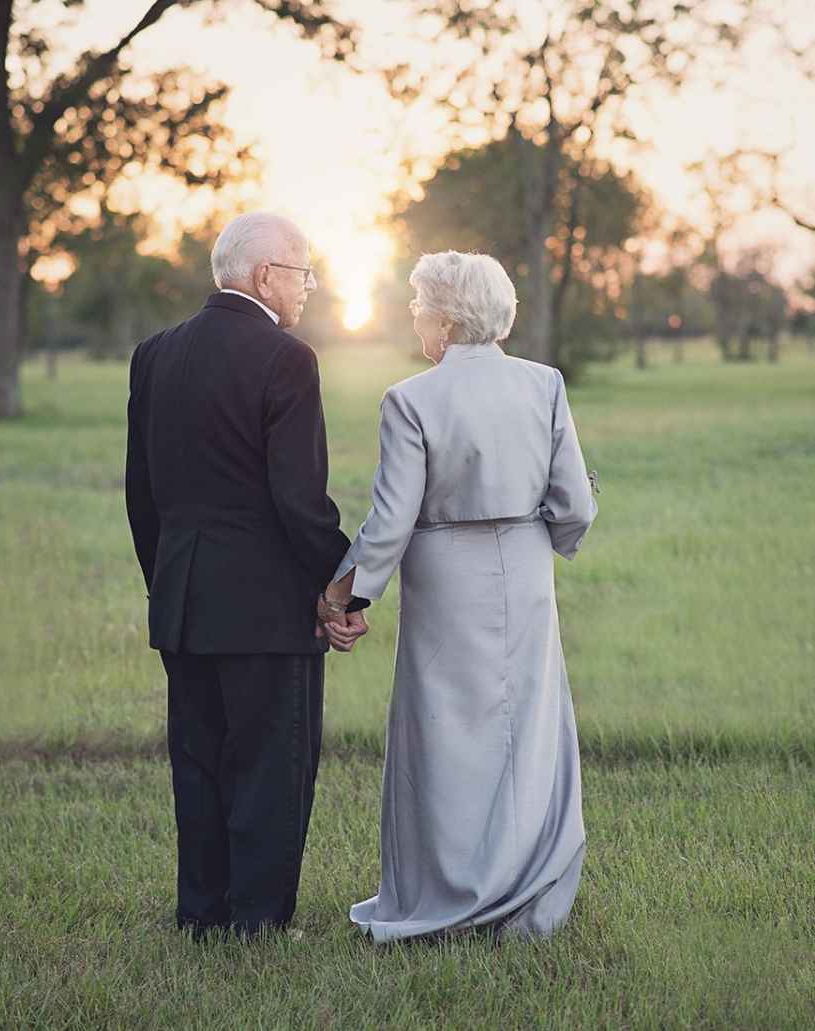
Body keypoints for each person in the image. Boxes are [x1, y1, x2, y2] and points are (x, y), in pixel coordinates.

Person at [316, 250, 598, 942]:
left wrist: (343, 597)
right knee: (525, 728)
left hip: (443, 574)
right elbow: (575, 507)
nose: (414, 316)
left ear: (443, 320)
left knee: (443, 736)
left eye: (417, 305)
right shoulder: (545, 385)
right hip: (527, 575)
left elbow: (388, 523)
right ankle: (525, 889)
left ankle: (445, 893)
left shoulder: (410, 398)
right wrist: (543, 535)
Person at [125, 211, 368, 939]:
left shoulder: (153, 353)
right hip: (265, 606)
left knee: (197, 763)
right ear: (266, 275)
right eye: (302, 273)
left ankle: (201, 913)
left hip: (183, 596)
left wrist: (166, 581)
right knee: (271, 766)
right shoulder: (286, 357)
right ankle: (258, 921)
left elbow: (142, 495)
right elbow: (300, 501)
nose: (308, 288)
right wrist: (340, 589)